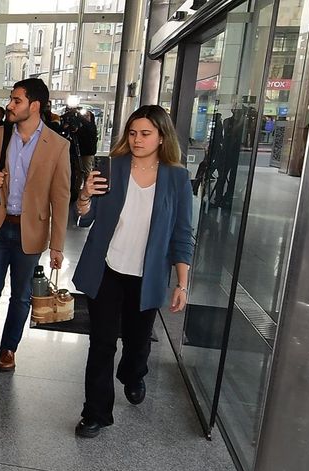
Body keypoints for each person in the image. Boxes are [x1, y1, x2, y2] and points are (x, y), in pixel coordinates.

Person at [72, 104, 194, 438]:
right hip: (107, 268)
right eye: (132, 133)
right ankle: (95, 413)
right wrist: (84, 195)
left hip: (147, 274)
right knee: (102, 343)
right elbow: (85, 217)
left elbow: (182, 233)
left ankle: (133, 373)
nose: (137, 139)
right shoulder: (113, 168)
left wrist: (182, 283)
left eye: (145, 134)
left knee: (138, 341)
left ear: (162, 137)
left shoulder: (177, 178)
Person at [0, 78, 70, 376]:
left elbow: (61, 198)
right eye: (11, 99)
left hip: (30, 231)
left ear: (34, 106)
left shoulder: (57, 145)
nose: (10, 105)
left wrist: (57, 245)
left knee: (21, 297)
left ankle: (9, 350)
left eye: (16, 100)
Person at [78, 109, 99, 177]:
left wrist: (79, 116)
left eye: (87, 116)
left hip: (87, 153)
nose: (85, 117)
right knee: (79, 173)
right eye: (84, 116)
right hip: (80, 152)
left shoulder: (91, 126)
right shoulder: (81, 127)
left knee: (87, 172)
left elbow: (87, 125)